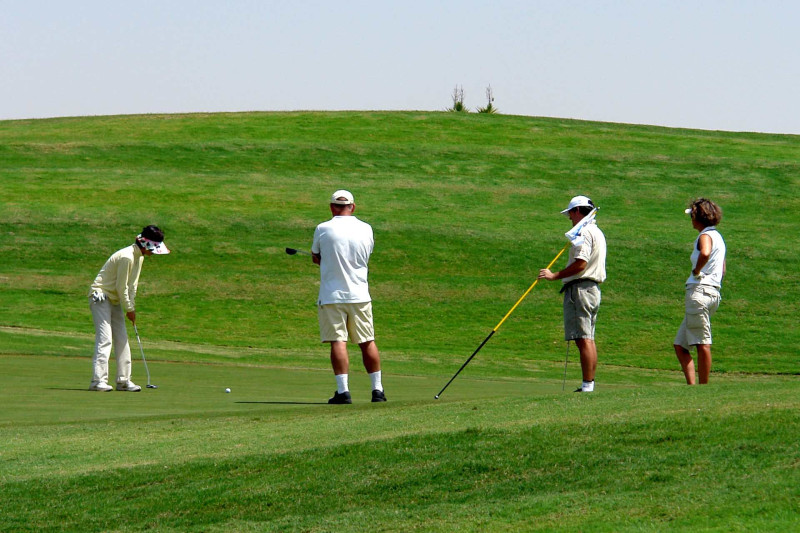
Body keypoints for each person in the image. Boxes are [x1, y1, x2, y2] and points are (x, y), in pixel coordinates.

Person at [311, 190, 386, 404]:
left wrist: (323, 259)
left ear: (332, 207)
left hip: (332, 295)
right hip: (360, 294)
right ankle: (377, 390)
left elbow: (316, 257)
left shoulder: (323, 228)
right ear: (353, 207)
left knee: (338, 340)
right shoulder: (366, 229)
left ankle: (343, 392)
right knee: (367, 341)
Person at [88, 225, 170, 391]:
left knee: (122, 338)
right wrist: (129, 309)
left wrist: (131, 307)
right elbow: (121, 286)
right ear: (147, 245)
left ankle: (123, 380)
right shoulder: (127, 257)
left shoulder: (139, 257)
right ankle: (98, 382)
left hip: (115, 299)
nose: (154, 253)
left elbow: (132, 286)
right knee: (106, 339)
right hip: (101, 296)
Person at [538, 195, 607, 392]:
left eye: (570, 213)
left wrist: (554, 275)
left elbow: (580, 263)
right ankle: (589, 384)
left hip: (581, 289)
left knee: (582, 338)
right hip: (592, 289)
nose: (569, 217)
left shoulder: (584, 232)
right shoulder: (597, 231)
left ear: (577, 211)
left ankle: (587, 386)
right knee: (588, 337)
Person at [674, 198, 726, 385]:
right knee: (680, 345)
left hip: (699, 292)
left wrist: (697, 271)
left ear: (699, 217)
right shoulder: (719, 237)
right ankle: (692, 387)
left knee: (702, 342)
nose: (691, 220)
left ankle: (703, 387)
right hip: (712, 292)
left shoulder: (705, 236)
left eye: (693, 216)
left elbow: (704, 253)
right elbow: (722, 269)